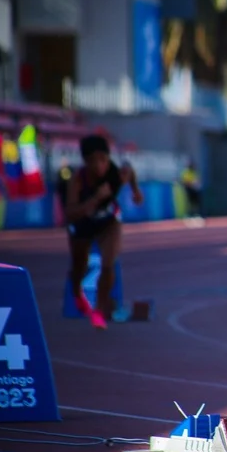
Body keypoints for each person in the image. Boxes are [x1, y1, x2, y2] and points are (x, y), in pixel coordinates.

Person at [65, 135, 143, 330]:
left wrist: (136, 191)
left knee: (108, 263)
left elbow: (130, 172)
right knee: (79, 267)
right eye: (93, 161)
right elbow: (70, 213)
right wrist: (94, 200)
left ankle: (99, 311)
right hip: (83, 223)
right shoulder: (78, 179)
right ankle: (77, 293)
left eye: (104, 160)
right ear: (86, 162)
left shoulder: (117, 173)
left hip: (108, 221)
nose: (100, 166)